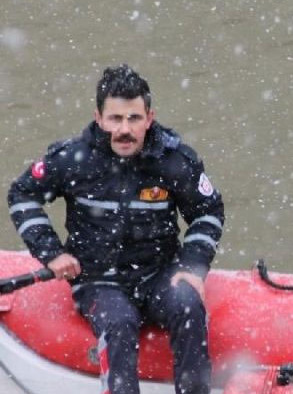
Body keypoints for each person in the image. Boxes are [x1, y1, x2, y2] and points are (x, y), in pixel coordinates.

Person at [7, 64, 224, 394]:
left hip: (160, 275)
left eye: (134, 119)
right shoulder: (71, 159)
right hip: (97, 281)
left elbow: (208, 212)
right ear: (99, 117)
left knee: (188, 306)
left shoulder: (175, 161)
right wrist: (52, 253)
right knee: (119, 323)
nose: (125, 129)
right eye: (115, 119)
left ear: (149, 117)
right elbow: (22, 195)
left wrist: (192, 268)